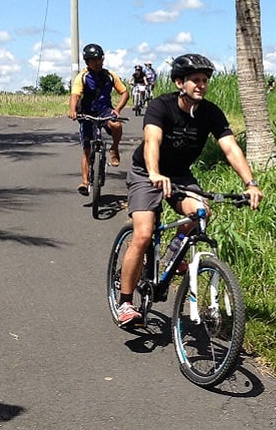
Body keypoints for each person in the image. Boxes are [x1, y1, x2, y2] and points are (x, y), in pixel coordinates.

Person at [115, 53, 264, 327]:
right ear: (179, 83)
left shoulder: (211, 112)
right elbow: (152, 141)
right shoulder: (161, 106)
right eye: (195, 80)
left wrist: (250, 183)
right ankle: (125, 302)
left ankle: (172, 254)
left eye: (205, 80)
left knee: (201, 212)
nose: (201, 85)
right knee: (144, 234)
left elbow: (230, 148)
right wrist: (154, 172)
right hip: (146, 172)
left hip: (180, 175)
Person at [68, 44, 129, 195]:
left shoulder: (110, 75)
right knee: (86, 149)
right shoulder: (82, 77)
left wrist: (117, 109)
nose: (97, 63)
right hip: (87, 112)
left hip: (105, 110)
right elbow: (75, 95)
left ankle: (114, 148)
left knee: (116, 125)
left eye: (99, 59)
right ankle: (85, 182)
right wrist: (72, 110)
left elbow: (124, 92)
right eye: (93, 60)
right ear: (87, 62)